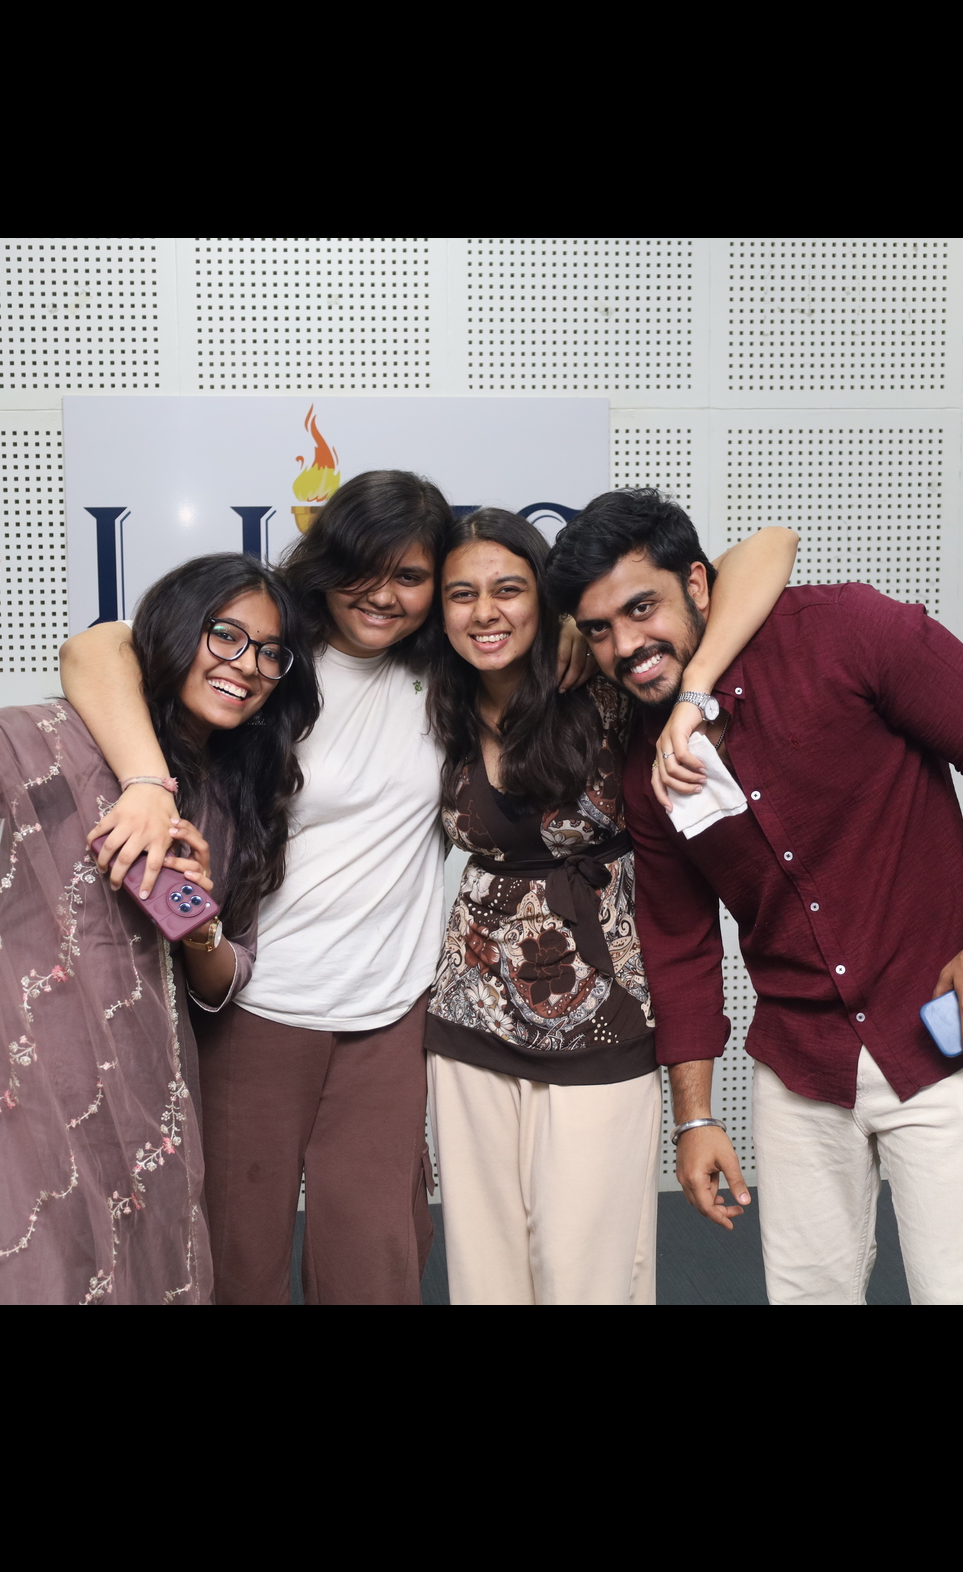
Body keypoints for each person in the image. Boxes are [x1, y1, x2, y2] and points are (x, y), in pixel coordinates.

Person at [60, 471, 593, 1305]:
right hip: (256, 1004)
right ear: (325, 559)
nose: (382, 595)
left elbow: (525, 634)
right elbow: (95, 650)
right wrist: (144, 782)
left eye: (409, 577)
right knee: (239, 1258)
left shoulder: (449, 673)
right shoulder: (268, 660)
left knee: (375, 1262)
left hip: (390, 1014)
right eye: (361, 568)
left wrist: (563, 627)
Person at [545, 489, 963, 1306]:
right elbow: (681, 946)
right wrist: (694, 1118)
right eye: (599, 629)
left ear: (698, 584)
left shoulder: (845, 631)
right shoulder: (646, 769)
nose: (628, 646)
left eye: (642, 608)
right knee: (806, 1294)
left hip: (939, 1035)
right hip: (800, 1064)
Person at [0, 503, 317, 1304]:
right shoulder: (63, 739)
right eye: (226, 636)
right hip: (12, 1075)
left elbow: (221, 981)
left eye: (270, 654)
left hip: (141, 1089)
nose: (247, 665)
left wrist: (195, 913)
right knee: (20, 1275)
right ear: (175, 634)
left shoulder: (238, 797)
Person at [424, 508, 797, 1304]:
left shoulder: (606, 679)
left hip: (604, 1011)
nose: (485, 611)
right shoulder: (436, 702)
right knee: (484, 1270)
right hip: (468, 1013)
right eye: (462, 594)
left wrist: (690, 692)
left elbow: (770, 548)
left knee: (587, 1271)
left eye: (508, 589)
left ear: (545, 599)